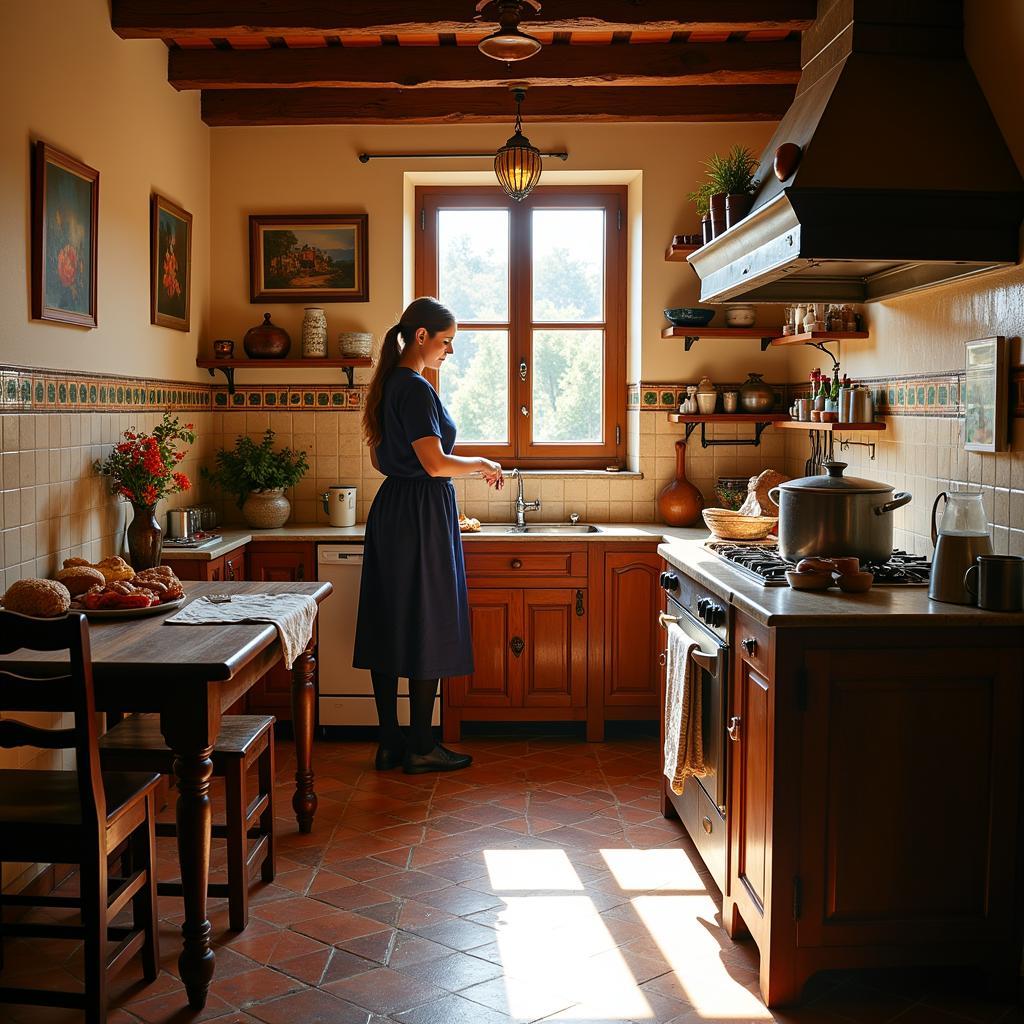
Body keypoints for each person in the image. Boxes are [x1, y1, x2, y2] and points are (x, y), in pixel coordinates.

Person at [354, 297, 504, 774]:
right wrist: (481, 463)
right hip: (422, 513)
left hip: (393, 509)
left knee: (389, 619)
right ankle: (421, 744)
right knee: (428, 621)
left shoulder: (385, 386)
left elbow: (383, 461)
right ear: (421, 336)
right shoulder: (415, 389)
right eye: (446, 342)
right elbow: (435, 463)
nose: (449, 352)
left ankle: (389, 741)